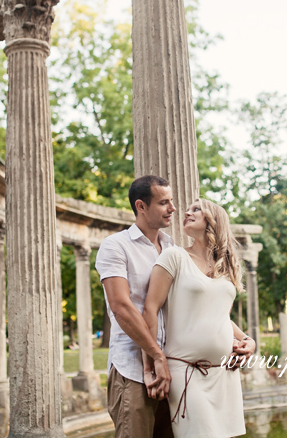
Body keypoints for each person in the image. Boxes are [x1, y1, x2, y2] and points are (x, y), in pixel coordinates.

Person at [142, 198, 254, 438]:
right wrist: (151, 363)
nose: (186, 212)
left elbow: (220, 315)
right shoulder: (174, 257)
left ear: (213, 220)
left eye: (196, 209)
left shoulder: (226, 266)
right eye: (188, 209)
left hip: (225, 374)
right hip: (187, 371)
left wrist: (247, 339)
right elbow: (150, 309)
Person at [95, 175, 176, 438]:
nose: (172, 208)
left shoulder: (171, 247)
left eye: (171, 201)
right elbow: (121, 307)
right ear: (141, 206)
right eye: (164, 203)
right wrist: (156, 356)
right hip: (131, 370)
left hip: (171, 371)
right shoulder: (115, 246)